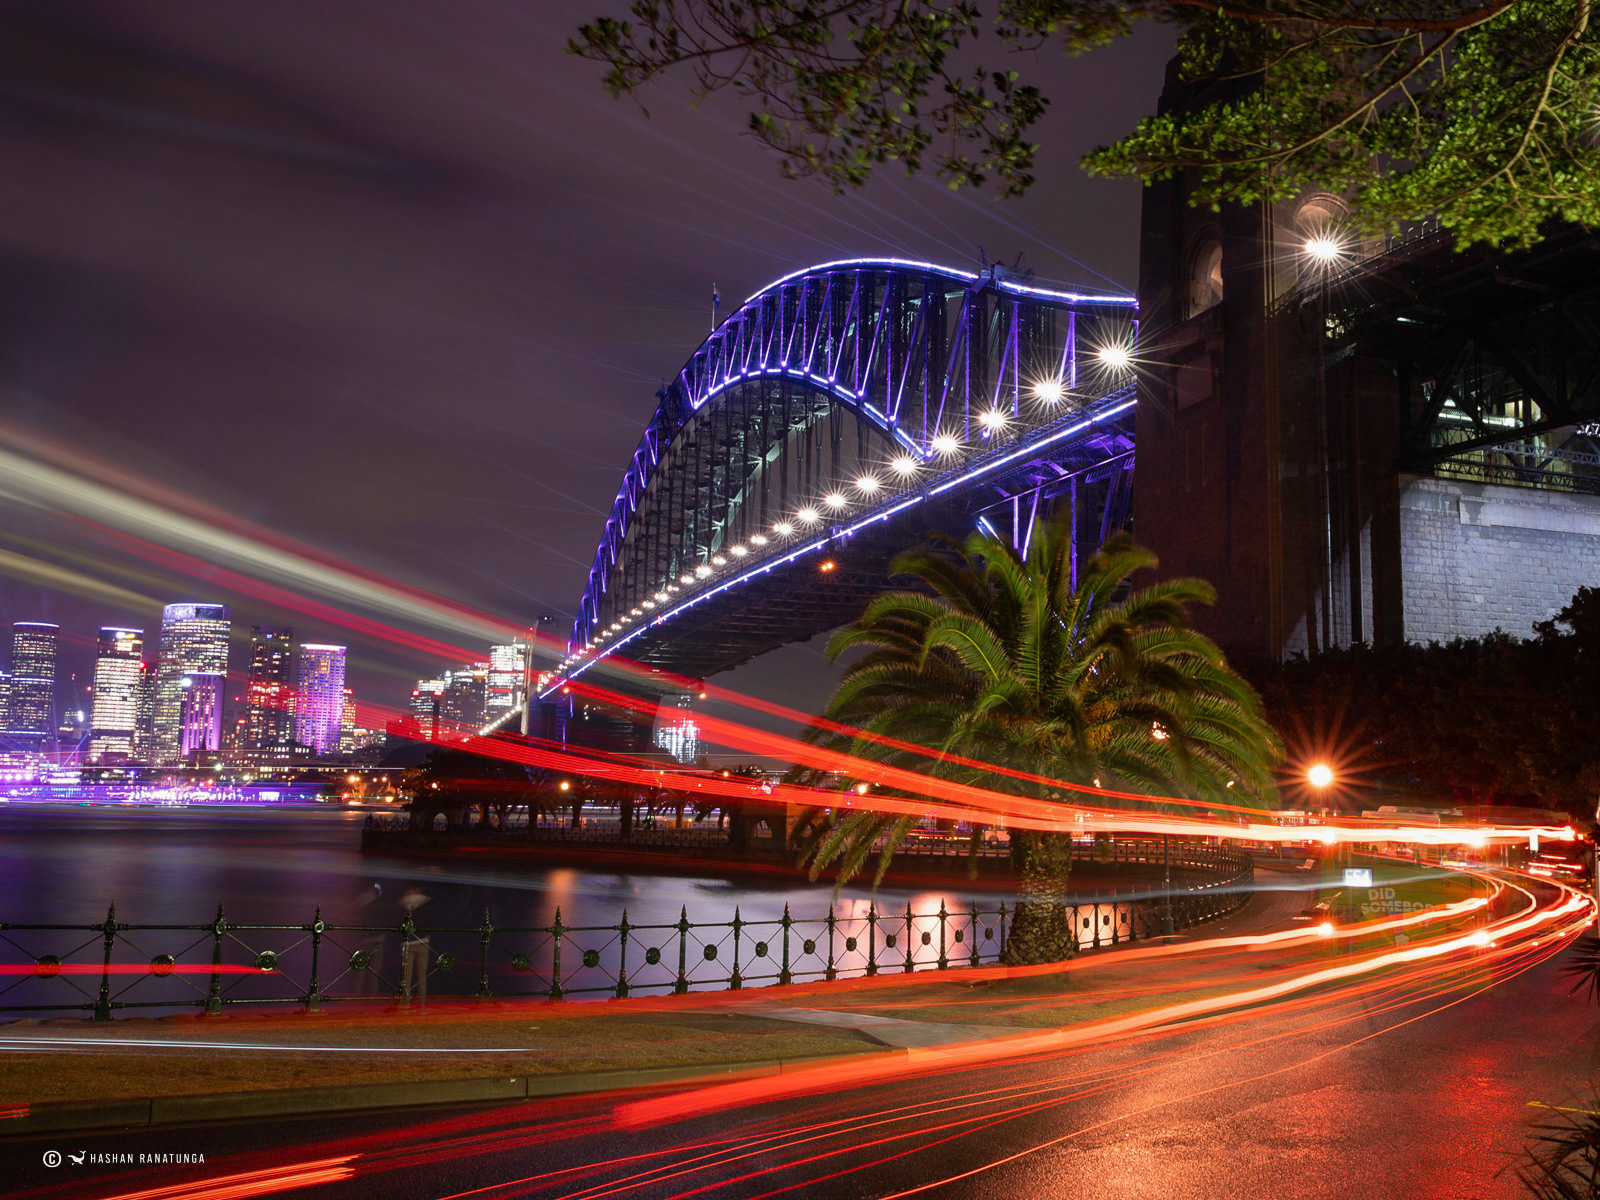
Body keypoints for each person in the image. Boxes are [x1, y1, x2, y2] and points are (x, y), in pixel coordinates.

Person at [399, 885, 432, 1007]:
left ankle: (405, 1002)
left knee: (406, 976)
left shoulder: (402, 903)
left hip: (407, 943)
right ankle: (421, 1002)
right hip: (423, 942)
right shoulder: (426, 902)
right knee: (422, 975)